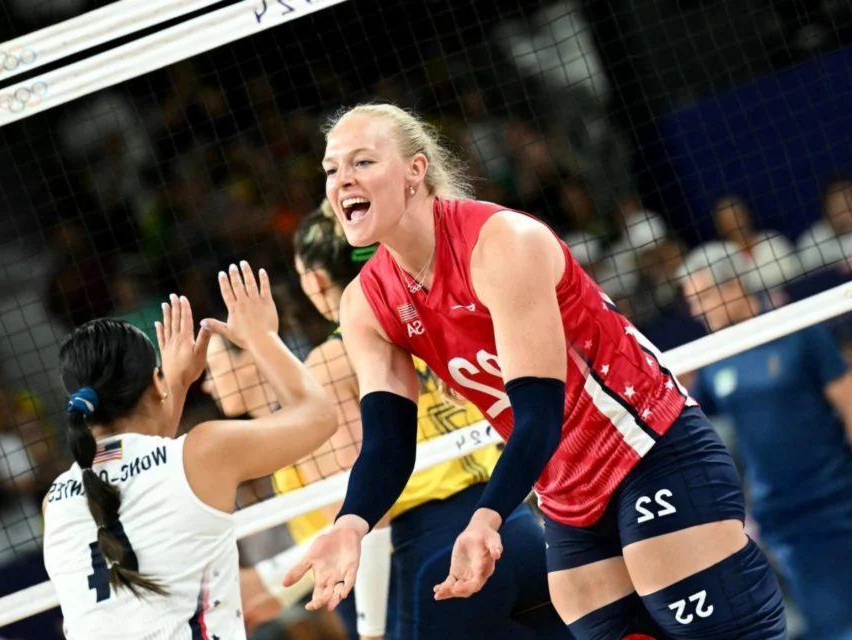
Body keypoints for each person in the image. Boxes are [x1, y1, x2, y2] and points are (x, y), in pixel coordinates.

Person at [282, 103, 788, 640]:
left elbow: (540, 416)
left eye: (362, 162)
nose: (343, 180)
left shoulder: (501, 243)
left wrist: (487, 517)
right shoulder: (366, 302)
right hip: (564, 490)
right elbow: (387, 445)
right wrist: (351, 524)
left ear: (415, 171)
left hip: (647, 449)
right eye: (332, 169)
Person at [205, 202, 569, 639]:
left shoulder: (334, 362)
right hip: (514, 525)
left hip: (434, 557)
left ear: (315, 282)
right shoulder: (428, 322)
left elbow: (367, 519)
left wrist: (371, 630)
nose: (207, 384)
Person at [43, 263, 338, 640]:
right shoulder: (203, 452)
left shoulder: (55, 500)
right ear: (154, 382)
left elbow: (142, 464)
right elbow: (319, 417)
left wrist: (175, 385)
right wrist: (260, 336)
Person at [679, 244, 852, 640]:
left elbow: (848, 404)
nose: (696, 310)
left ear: (733, 285)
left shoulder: (799, 331)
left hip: (839, 500)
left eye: (702, 296)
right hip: (785, 523)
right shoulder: (715, 356)